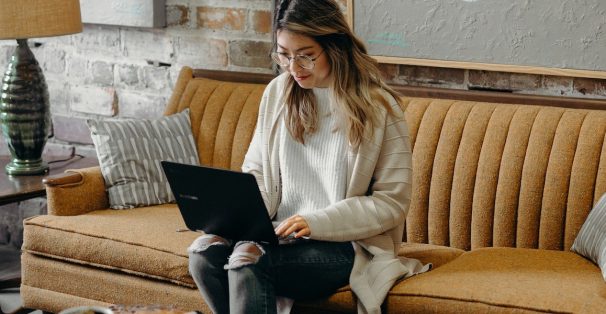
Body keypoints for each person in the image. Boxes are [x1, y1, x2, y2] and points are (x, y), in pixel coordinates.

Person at [188, 0, 430, 313]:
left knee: (248, 259)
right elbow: (257, 170)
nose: (294, 67)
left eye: (306, 56)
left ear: (335, 47)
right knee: (204, 253)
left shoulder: (379, 107)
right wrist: (242, 218)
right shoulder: (278, 93)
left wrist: (314, 222)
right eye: (284, 54)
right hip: (276, 236)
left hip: (346, 246)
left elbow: (391, 203)